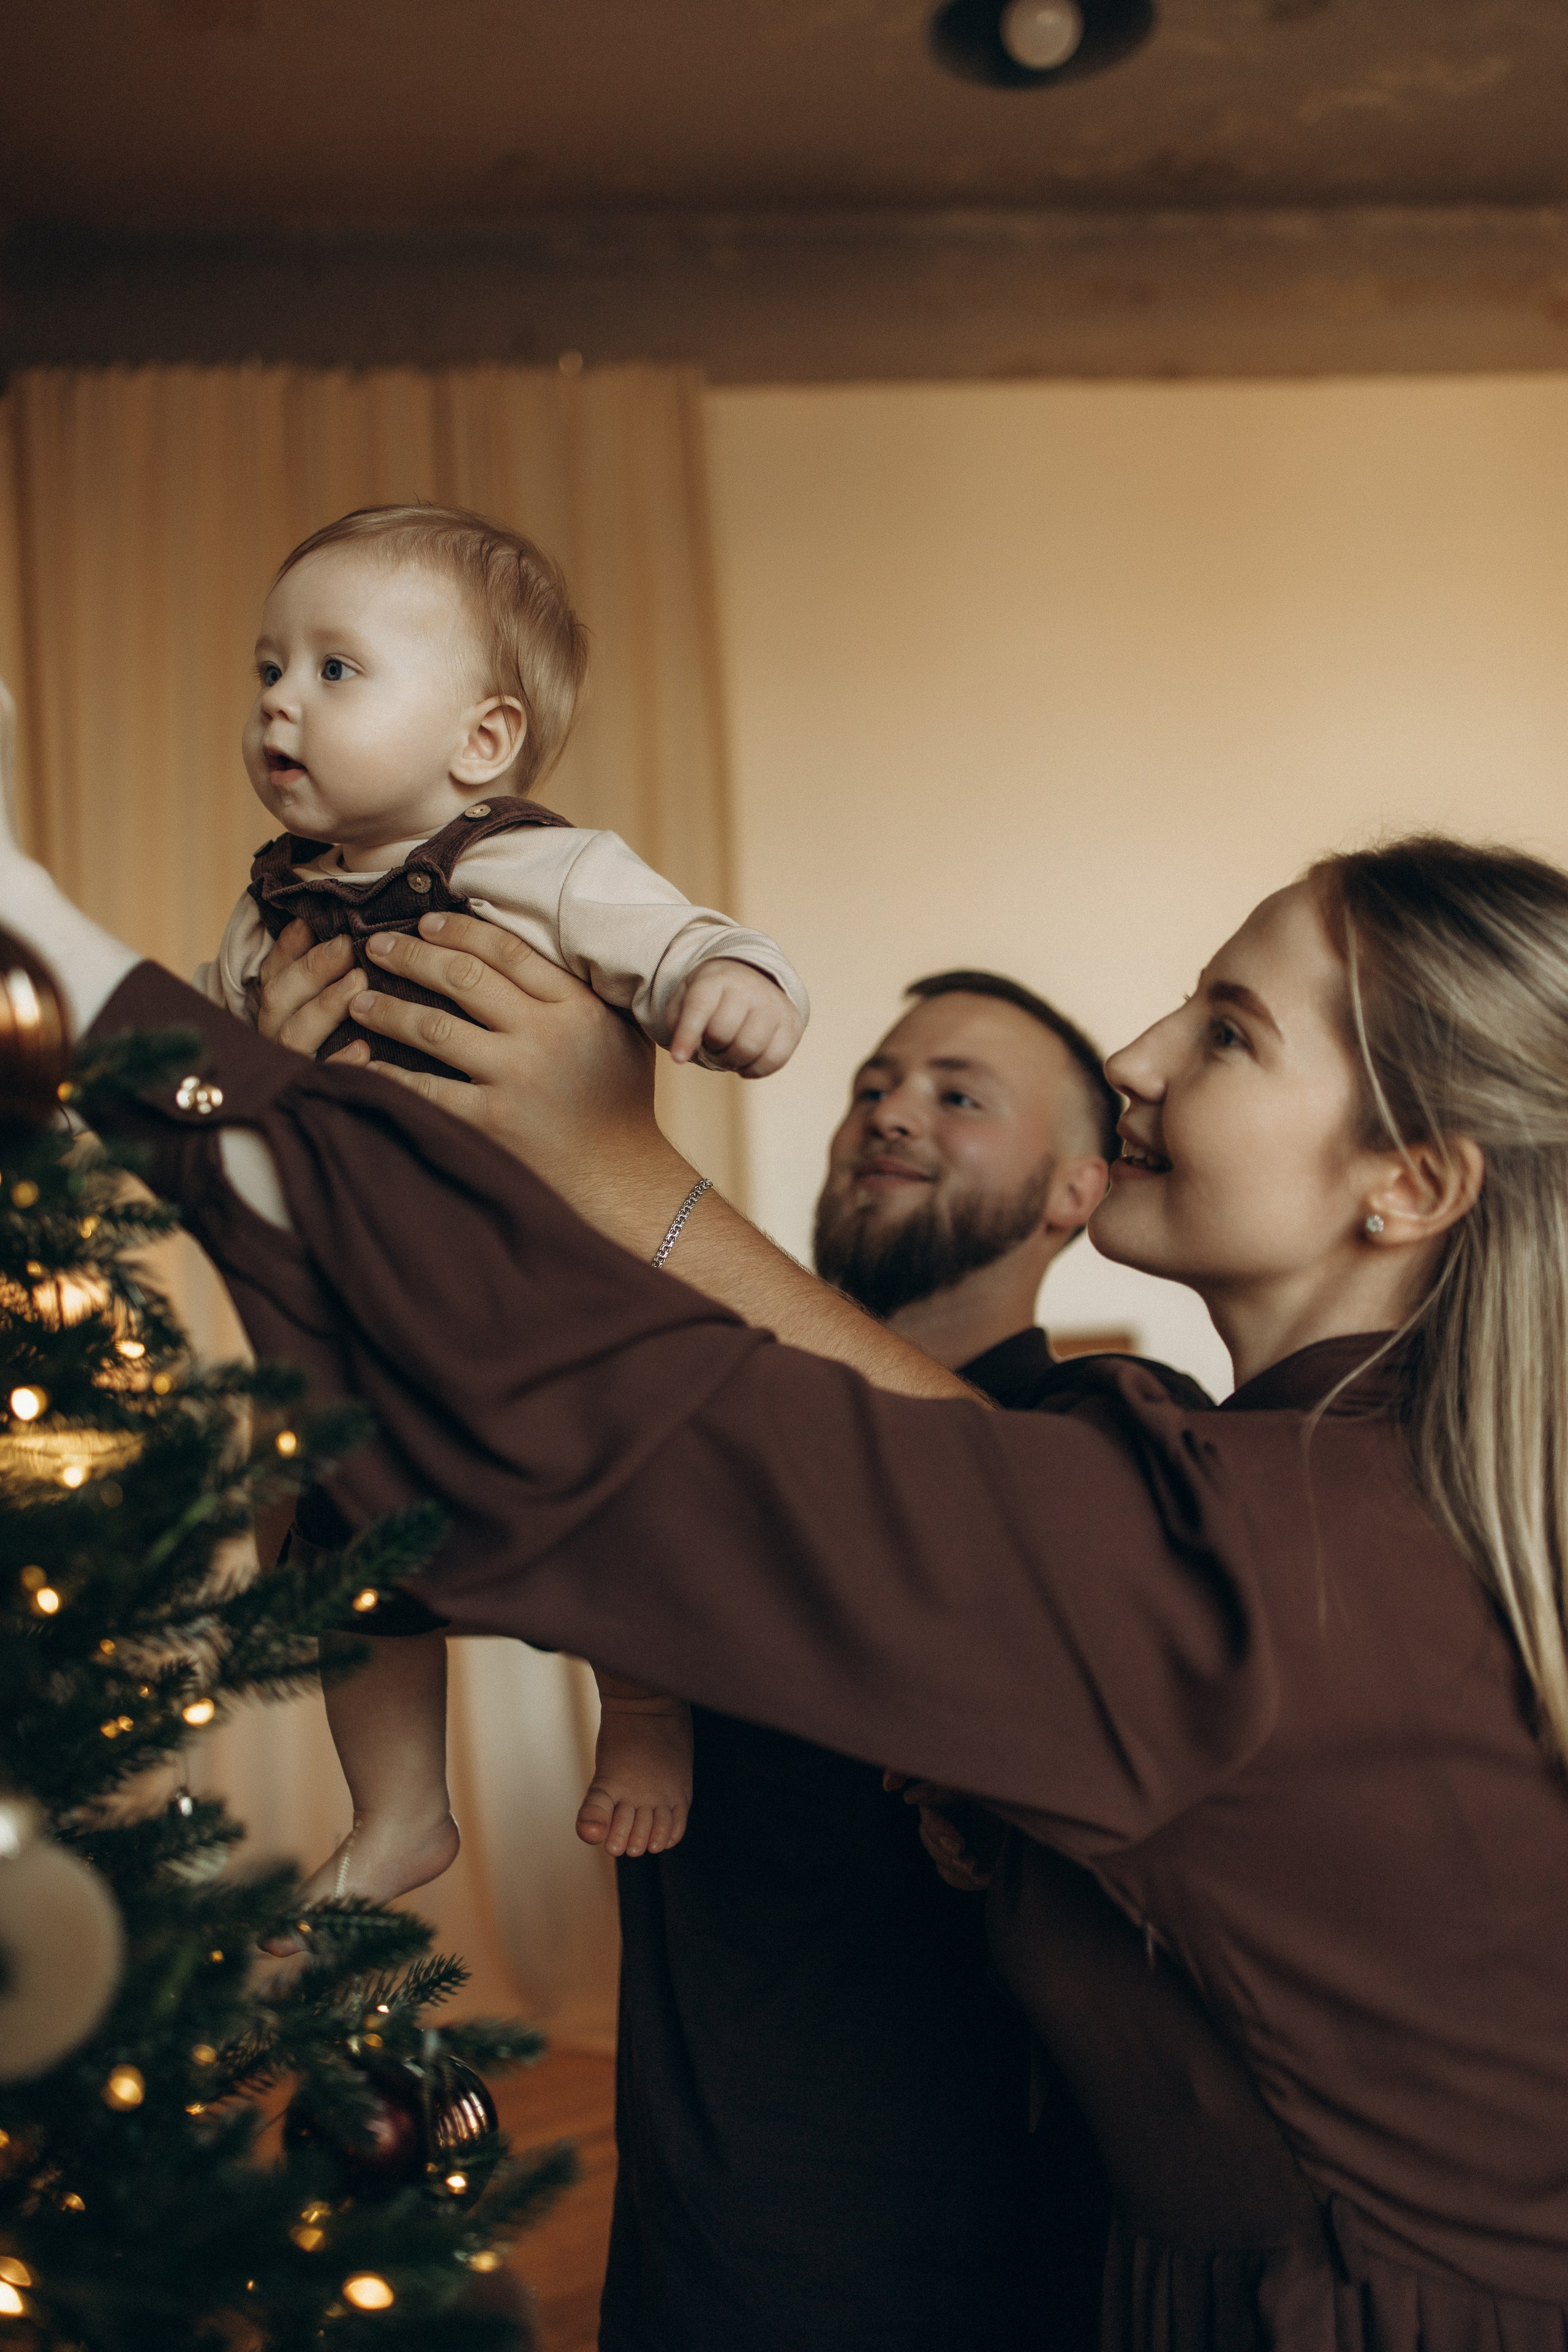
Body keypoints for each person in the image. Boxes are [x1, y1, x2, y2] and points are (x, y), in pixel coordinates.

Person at [9, 725, 1568, 2352]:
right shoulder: (1268, 1481)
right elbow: (937, 1455)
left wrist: (43, 950)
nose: (1142, 1058)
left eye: (1232, 1033)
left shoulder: (1263, 1552)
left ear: (1411, 1184)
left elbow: (598, 1428)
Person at [200, 504, 810, 1940]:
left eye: (335, 670)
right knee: (353, 1558)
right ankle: (400, 1806)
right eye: (267, 668)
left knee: (620, 1498)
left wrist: (733, 991)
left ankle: (647, 1705)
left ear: (480, 742)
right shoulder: (263, 912)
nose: (280, 700)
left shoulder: (535, 868)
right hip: (368, 1307)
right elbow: (192, 1043)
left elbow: (687, 939)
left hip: (540, 1283)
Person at [597, 967, 1116, 2351]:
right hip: (689, 2212)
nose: (889, 1114)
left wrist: (610, 1166)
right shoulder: (699, 1415)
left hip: (960, 2247)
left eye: (959, 1096)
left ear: (1075, 1191)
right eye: (874, 1084)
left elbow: (1005, 1511)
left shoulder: (1105, 1430)